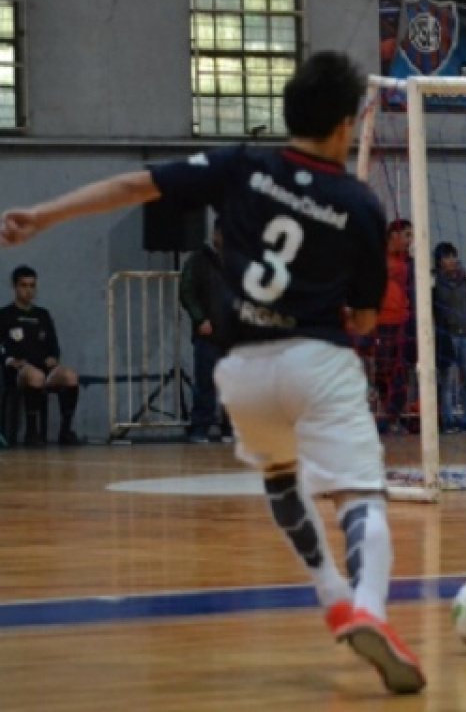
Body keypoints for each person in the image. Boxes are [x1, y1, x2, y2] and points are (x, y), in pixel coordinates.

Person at [0, 51, 425, 694]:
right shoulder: (360, 204)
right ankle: (367, 606)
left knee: (281, 477)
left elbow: (136, 185)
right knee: (360, 494)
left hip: (245, 371)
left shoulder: (244, 165)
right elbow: (366, 320)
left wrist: (45, 215)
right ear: (347, 124)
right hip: (318, 361)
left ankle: (330, 593)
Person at [0, 266, 83, 446]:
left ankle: (66, 430)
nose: (29, 290)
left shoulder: (42, 314)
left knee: (70, 376)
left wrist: (53, 357)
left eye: (32, 286)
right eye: (24, 285)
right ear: (15, 287)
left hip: (44, 368)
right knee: (35, 376)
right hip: (18, 371)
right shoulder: (4, 315)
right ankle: (32, 432)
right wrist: (10, 360)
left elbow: (54, 345)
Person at [179, 217, 233, 443]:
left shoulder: (238, 260)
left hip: (233, 333)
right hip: (208, 333)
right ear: (216, 234)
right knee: (205, 382)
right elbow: (186, 292)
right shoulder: (198, 260)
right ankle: (200, 427)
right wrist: (200, 319)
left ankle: (230, 427)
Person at [432, 241, 466, 433]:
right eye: (447, 257)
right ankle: (447, 420)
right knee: (446, 380)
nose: (452, 260)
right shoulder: (434, 282)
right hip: (448, 335)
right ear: (439, 261)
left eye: (453, 256)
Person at [375, 218, 415, 434]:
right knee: (383, 372)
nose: (410, 241)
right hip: (381, 325)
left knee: (401, 374)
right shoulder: (376, 258)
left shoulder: (409, 264)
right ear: (393, 235)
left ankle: (393, 418)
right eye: (407, 235)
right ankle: (386, 416)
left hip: (403, 325)